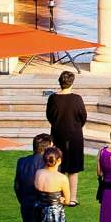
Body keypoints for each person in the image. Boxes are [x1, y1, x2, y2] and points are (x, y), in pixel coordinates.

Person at [44, 70, 86, 206]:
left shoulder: (53, 99)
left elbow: (49, 116)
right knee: (73, 169)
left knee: (59, 165)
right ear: (71, 83)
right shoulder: (77, 99)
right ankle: (72, 198)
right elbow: (83, 117)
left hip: (58, 134)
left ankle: (60, 197)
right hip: (74, 135)